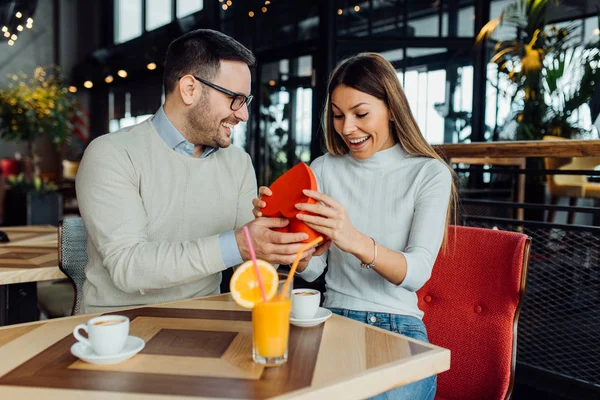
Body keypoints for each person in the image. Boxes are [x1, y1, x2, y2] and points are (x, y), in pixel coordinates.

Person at [253, 53, 457, 400]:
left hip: (397, 326)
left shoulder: (428, 173)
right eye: (337, 115)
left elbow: (418, 271)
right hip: (328, 318)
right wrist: (284, 236)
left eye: (361, 114)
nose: (347, 128)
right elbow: (313, 264)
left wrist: (353, 239)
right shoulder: (325, 169)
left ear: (392, 108)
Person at [76, 29, 314, 314]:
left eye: (245, 102)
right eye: (235, 98)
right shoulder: (111, 154)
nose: (243, 114)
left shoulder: (237, 163)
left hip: (205, 321)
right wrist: (239, 243)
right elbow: (129, 267)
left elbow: (249, 265)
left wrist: (282, 246)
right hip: (118, 328)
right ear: (190, 89)